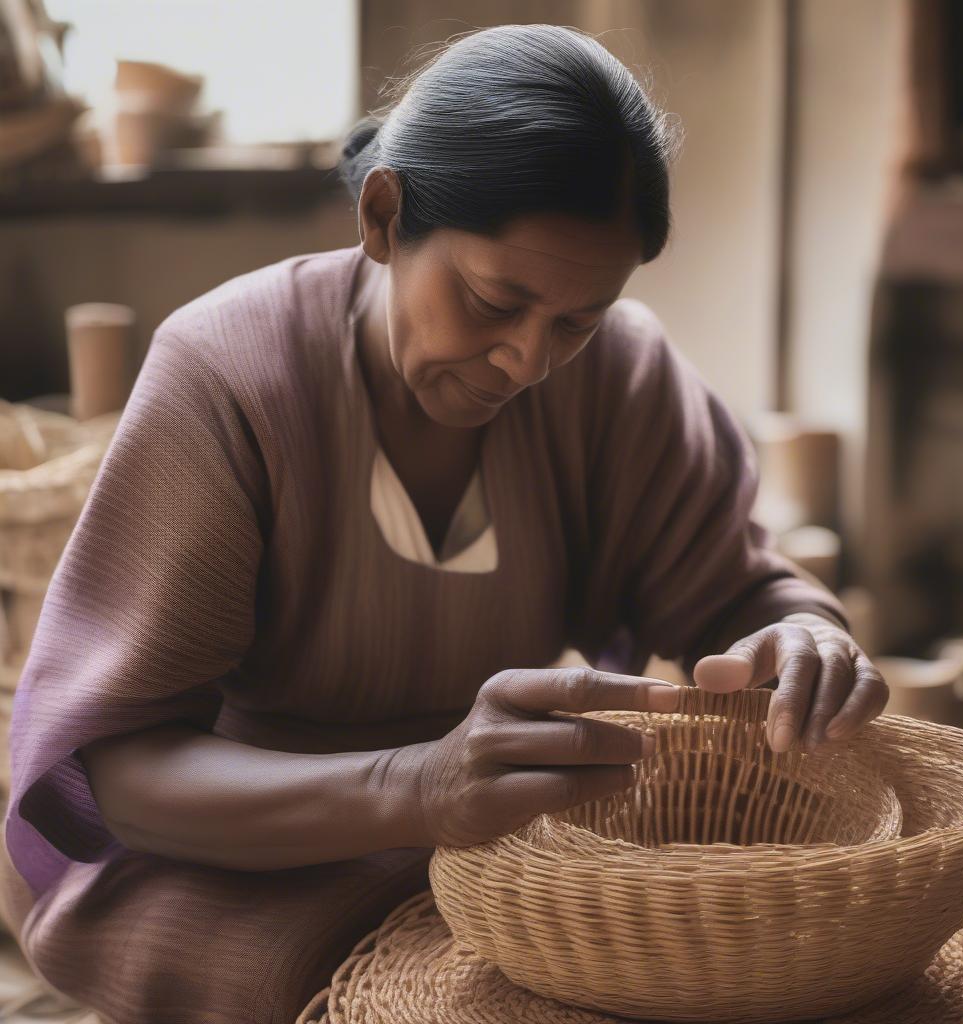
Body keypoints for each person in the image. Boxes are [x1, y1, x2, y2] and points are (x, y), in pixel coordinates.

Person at [0, 23, 887, 1024]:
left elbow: (731, 591)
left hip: (479, 842)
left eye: (575, 319)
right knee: (397, 992)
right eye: (489, 299)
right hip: (225, 847)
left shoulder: (618, 374)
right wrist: (411, 785)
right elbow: (116, 773)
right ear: (384, 216)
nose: (526, 360)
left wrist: (800, 636)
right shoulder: (231, 376)